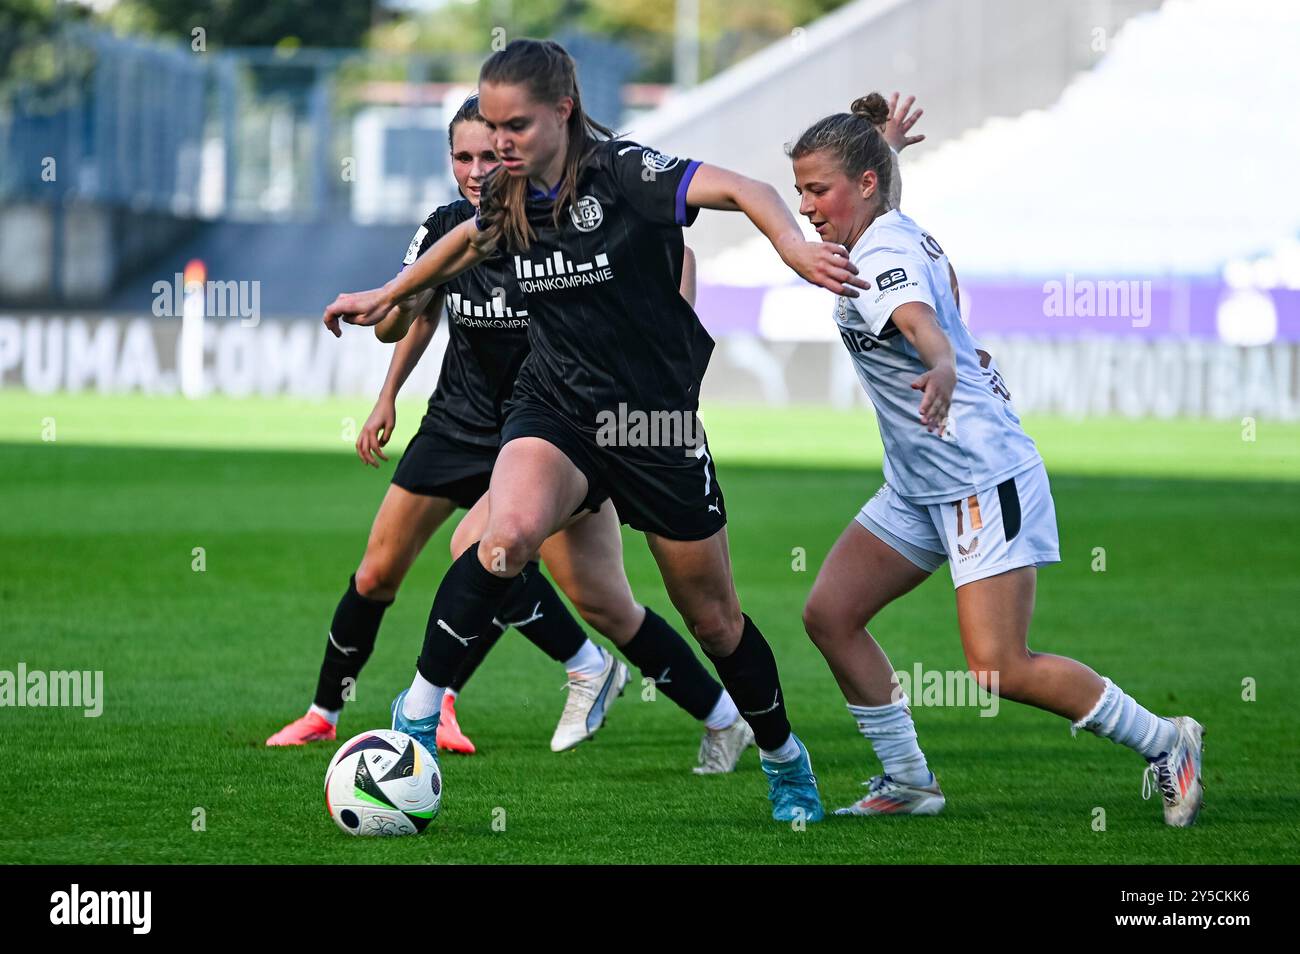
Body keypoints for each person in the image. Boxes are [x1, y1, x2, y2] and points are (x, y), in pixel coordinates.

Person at [324, 39, 871, 822]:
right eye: (490, 126)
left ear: (563, 113)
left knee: (714, 619)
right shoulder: (509, 193)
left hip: (652, 419)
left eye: (515, 126)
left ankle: (785, 758)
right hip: (556, 408)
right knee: (503, 533)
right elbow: (466, 242)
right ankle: (416, 712)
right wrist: (390, 291)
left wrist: (794, 247)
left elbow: (745, 187)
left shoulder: (623, 174)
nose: (500, 143)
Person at [275, 94, 754, 776]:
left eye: (491, 151)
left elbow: (662, 294)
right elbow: (402, 318)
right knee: (397, 568)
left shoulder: (570, 224)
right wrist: (388, 370)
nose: (477, 169)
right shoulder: (451, 228)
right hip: (464, 422)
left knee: (515, 561)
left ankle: (457, 698)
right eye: (464, 156)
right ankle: (333, 711)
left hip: (558, 430)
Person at [789, 92, 1205, 825]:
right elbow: (894, 255)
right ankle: (908, 780)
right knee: (830, 614)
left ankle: (1167, 742)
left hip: (979, 473)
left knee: (998, 666)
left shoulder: (880, 249)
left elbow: (917, 322)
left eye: (818, 189)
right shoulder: (886, 223)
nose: (807, 207)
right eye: (799, 191)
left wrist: (942, 365)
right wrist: (880, 145)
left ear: (863, 184)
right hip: (923, 480)